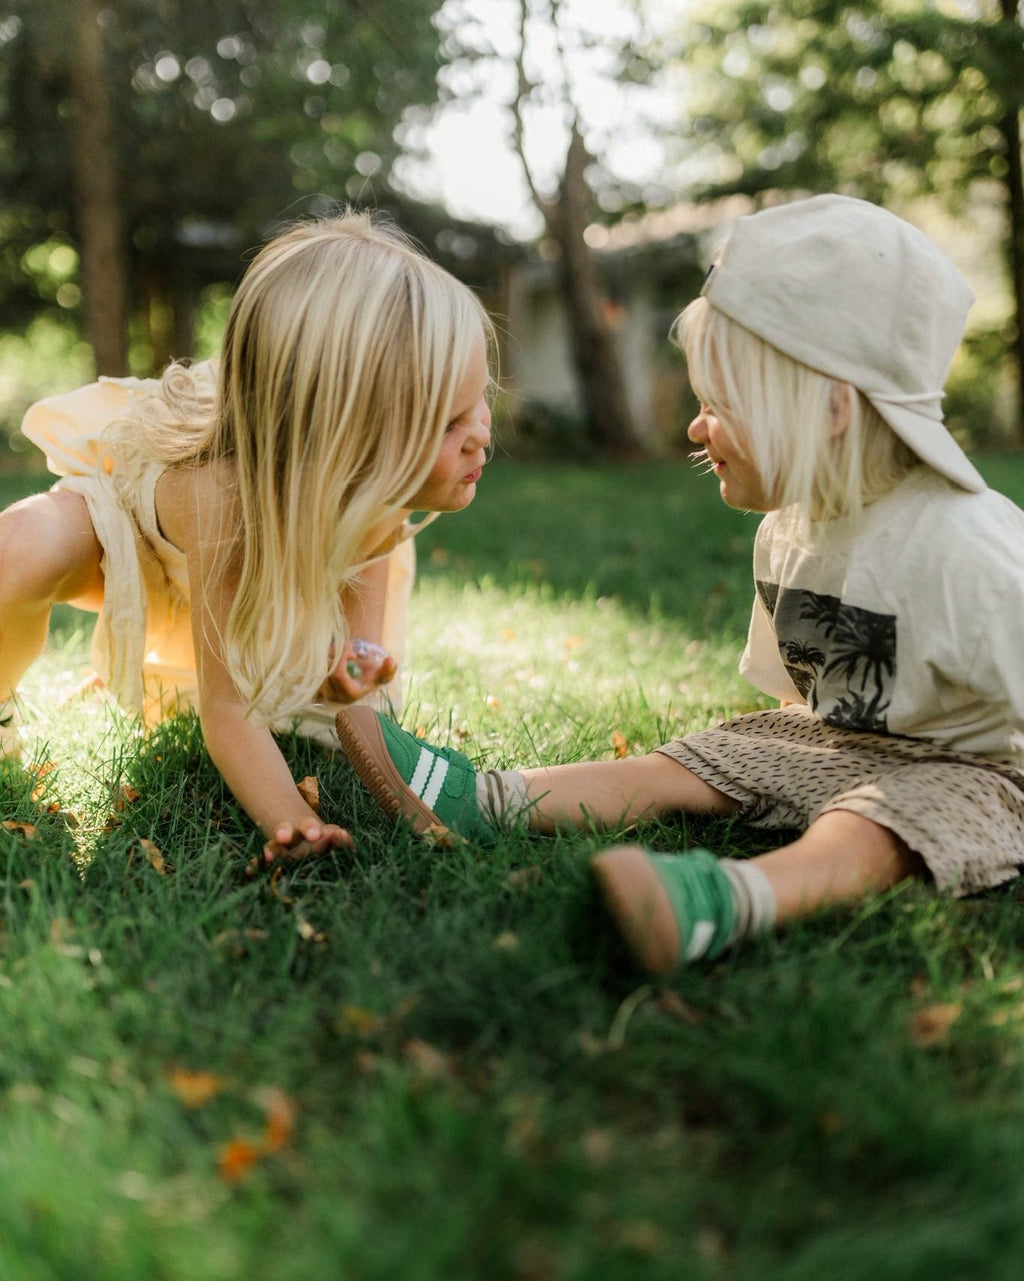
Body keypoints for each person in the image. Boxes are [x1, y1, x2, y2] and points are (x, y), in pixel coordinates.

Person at [335, 193, 1024, 974]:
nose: (696, 428)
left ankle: (725, 900)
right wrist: (773, 763)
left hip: (986, 774)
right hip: (850, 740)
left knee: (881, 819)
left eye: (718, 406)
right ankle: (484, 798)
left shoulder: (967, 549)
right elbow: (797, 701)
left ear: (831, 409)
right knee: (706, 754)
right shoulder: (788, 532)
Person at [3, 209, 493, 864]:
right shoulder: (223, 498)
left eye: (478, 400)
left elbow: (361, 669)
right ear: (350, 437)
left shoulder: (376, 490)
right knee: (21, 546)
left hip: (262, 551)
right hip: (137, 542)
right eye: (449, 422)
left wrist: (353, 676)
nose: (481, 433)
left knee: (309, 719)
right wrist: (292, 819)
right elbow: (228, 710)